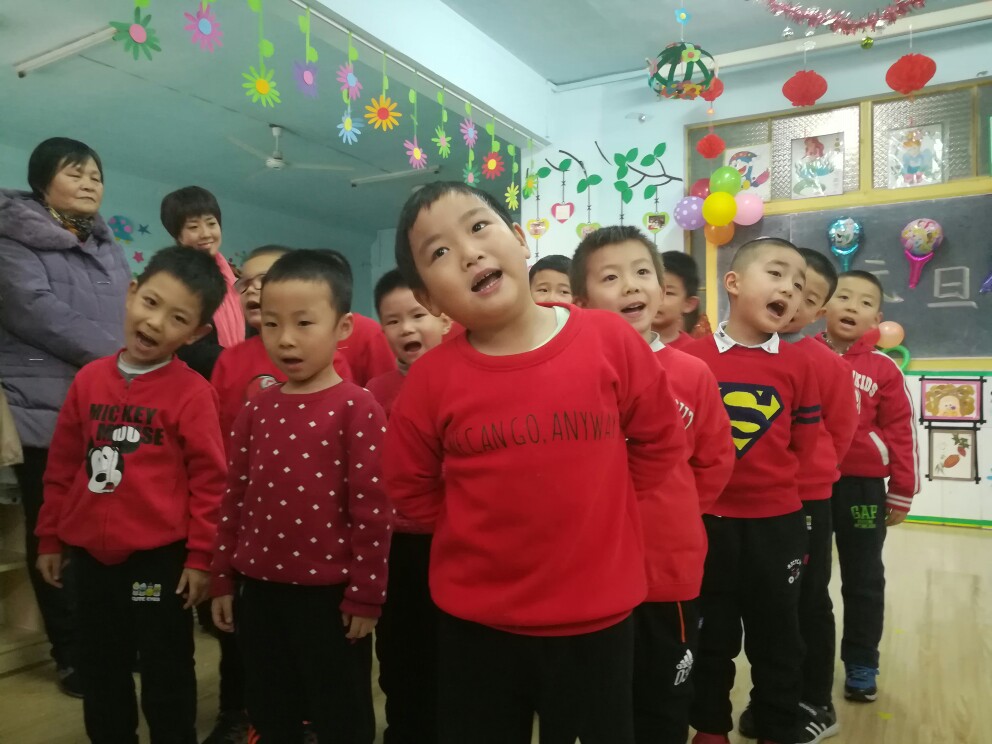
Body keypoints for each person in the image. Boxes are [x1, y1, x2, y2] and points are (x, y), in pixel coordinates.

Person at [383, 182, 687, 744]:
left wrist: (604, 505)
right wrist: (476, 536)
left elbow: (660, 441)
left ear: (521, 239)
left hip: (597, 619)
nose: (469, 252)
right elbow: (410, 486)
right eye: (439, 251)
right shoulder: (429, 382)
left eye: (479, 226)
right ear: (428, 299)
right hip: (477, 626)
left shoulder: (608, 339)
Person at [34, 246, 227, 743]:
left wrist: (200, 558)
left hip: (153, 571)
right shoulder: (88, 380)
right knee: (100, 664)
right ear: (132, 292)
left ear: (196, 333)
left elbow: (211, 483)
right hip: (91, 567)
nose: (155, 322)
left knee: (164, 662)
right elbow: (61, 467)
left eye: (177, 318)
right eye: (151, 303)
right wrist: (50, 537)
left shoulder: (193, 394)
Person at [211, 250, 392, 744]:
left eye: (304, 323)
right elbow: (234, 498)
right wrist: (222, 577)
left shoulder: (358, 407)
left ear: (343, 327)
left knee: (341, 713)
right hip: (259, 592)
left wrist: (366, 594)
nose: (285, 339)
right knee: (271, 707)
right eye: (271, 324)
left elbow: (373, 511)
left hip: (330, 598)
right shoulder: (256, 410)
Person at [570, 226, 735, 744]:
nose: (630, 285)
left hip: (666, 570)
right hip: (589, 575)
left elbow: (713, 460)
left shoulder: (692, 373)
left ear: (662, 290)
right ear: (580, 301)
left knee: (663, 701)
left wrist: (676, 510)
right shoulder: (570, 373)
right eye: (610, 277)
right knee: (599, 704)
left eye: (642, 272)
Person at [0, 137, 131, 696]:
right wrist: (120, 356)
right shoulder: (12, 236)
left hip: (107, 404)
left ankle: (112, 641)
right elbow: (34, 310)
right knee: (55, 532)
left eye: (96, 175)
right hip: (43, 406)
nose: (89, 183)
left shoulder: (104, 243)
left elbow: (130, 310)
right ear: (42, 181)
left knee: (110, 527)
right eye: (75, 173)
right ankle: (72, 653)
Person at [683, 238, 821, 744]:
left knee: (779, 639)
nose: (789, 288)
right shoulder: (688, 360)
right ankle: (710, 728)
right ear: (734, 283)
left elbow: (805, 444)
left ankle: (776, 726)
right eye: (777, 273)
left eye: (798, 284)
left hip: (777, 526)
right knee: (710, 635)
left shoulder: (800, 364)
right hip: (706, 524)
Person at [738, 248, 859, 742]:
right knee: (769, 607)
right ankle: (774, 697)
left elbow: (841, 430)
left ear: (819, 312)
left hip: (806, 501)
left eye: (809, 298)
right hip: (758, 506)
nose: (792, 300)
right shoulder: (744, 353)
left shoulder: (822, 362)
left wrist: (812, 476)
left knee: (807, 602)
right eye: (785, 284)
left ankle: (816, 700)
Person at [819, 270, 919, 704]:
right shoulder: (801, 355)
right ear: (823, 305)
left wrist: (902, 490)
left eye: (865, 303)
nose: (852, 307)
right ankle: (811, 663)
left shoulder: (884, 368)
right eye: (843, 297)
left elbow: (900, 430)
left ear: (876, 319)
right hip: (810, 488)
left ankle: (862, 661)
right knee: (807, 579)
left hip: (862, 489)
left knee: (863, 578)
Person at [367, 268, 450, 744]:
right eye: (393, 320)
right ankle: (404, 728)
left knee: (450, 647)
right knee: (398, 647)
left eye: (418, 315)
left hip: (450, 541)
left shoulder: (464, 379)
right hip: (392, 545)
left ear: (444, 318)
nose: (407, 329)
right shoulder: (373, 394)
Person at [160, 186, 245, 379]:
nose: (206, 233)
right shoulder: (175, 280)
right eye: (193, 227)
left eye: (211, 223)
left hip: (238, 382)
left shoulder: (235, 280)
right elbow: (183, 343)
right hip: (191, 382)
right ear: (178, 235)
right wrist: (237, 363)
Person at [651, 251, 700, 350]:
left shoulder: (696, 352)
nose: (657, 299)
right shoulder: (623, 347)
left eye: (668, 293)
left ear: (689, 304)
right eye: (652, 289)